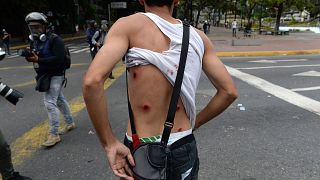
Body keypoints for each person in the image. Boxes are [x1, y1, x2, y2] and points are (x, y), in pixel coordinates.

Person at [82, 0, 238, 179]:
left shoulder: (128, 26)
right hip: (183, 142)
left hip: (140, 146)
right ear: (177, 1)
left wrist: (109, 143)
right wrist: (196, 122)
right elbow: (229, 91)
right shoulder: (198, 37)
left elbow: (92, 82)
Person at [24, 12, 75, 147]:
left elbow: (59, 59)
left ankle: (54, 134)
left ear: (45, 27)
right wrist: (31, 57)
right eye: (32, 27)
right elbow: (35, 56)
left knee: (49, 102)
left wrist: (39, 59)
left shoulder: (55, 39)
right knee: (59, 99)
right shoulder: (34, 40)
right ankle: (70, 122)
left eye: (37, 27)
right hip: (44, 74)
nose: (35, 30)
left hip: (56, 74)